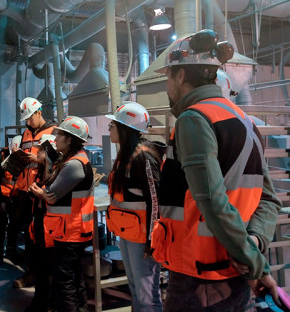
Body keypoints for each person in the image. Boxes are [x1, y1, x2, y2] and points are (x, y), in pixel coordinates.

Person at [150, 29, 282, 311]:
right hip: (232, 277)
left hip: (198, 281)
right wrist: (253, 243)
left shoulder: (193, 119)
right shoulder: (245, 121)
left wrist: (254, 263)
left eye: (168, 78)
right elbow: (268, 199)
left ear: (181, 75)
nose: (168, 87)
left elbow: (212, 200)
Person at [29, 116, 94, 312]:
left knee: (64, 282)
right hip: (69, 229)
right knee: (73, 277)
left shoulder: (74, 164)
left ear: (70, 140)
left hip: (70, 231)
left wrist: (40, 192)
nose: (55, 139)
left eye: (59, 135)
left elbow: (50, 195)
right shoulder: (70, 160)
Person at [105, 102, 165, 312]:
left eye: (112, 124)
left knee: (147, 294)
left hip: (141, 238)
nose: (109, 128)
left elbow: (154, 200)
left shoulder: (143, 156)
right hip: (128, 232)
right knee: (136, 289)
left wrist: (152, 240)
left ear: (125, 128)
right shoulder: (125, 156)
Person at [11, 97, 56, 288]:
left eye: (30, 118)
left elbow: (57, 161)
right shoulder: (26, 134)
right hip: (24, 190)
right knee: (28, 233)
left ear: (39, 112)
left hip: (41, 191)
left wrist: (39, 160)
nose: (28, 122)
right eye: (26, 119)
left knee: (41, 234)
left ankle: (44, 275)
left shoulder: (54, 131)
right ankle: (31, 272)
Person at [26, 134, 58, 312]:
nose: (36, 151)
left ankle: (49, 305)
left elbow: (52, 196)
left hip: (52, 226)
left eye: (40, 149)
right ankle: (39, 303)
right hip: (39, 222)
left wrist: (39, 192)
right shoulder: (41, 170)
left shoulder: (57, 172)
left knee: (49, 268)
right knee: (41, 267)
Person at [0, 134, 22, 265]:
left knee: (14, 227)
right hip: (2, 198)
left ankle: (11, 251)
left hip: (16, 198)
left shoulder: (24, 158)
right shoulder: (0, 157)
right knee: (0, 226)